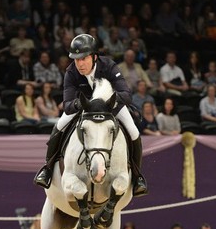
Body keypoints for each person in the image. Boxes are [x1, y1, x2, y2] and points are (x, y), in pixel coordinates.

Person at [33, 33, 148, 196]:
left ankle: (137, 178)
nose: (79, 63)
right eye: (76, 59)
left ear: (94, 56)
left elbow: (126, 95)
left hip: (110, 107)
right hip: (84, 109)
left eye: (83, 58)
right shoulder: (71, 72)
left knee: (134, 131)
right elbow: (67, 106)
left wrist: (104, 99)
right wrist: (80, 103)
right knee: (59, 126)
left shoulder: (109, 66)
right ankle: (48, 168)